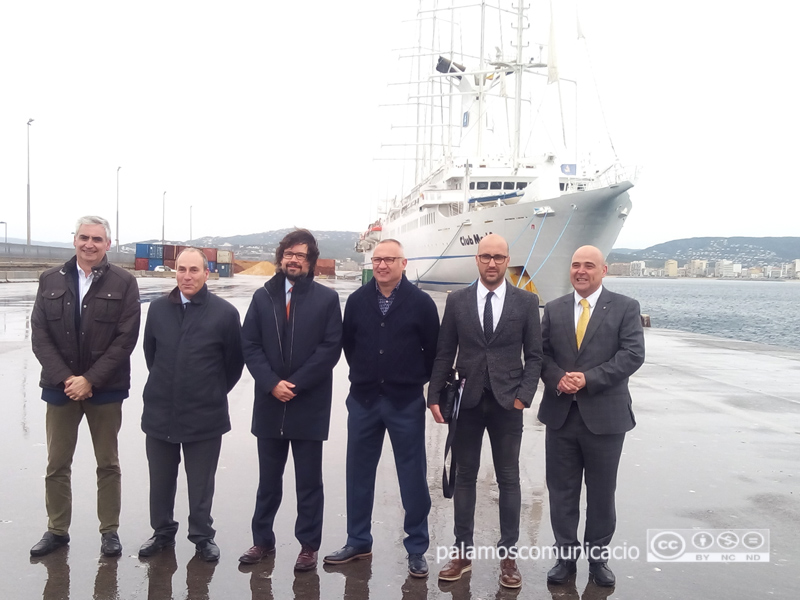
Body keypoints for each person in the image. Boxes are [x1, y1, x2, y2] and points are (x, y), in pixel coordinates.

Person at [427, 233, 542, 589]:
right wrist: (434, 394)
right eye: (486, 256)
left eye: (498, 257)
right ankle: (462, 553)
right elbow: (445, 351)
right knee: (464, 476)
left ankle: (508, 557)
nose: (492, 263)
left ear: (508, 261)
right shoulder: (458, 301)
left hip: (509, 402)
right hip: (468, 400)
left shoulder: (526, 302)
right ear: (477, 259)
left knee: (509, 479)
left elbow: (535, 355)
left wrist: (524, 396)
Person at [323, 239, 440, 578]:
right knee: (358, 474)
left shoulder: (421, 303)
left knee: (413, 477)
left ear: (404, 263)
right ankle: (358, 540)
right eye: (377, 260)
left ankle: (417, 547)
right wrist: (366, 375)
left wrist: (420, 385)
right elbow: (350, 344)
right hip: (364, 401)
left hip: (405, 402)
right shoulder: (358, 301)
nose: (382, 265)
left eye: (389, 260)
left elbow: (433, 352)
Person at [30, 215, 141, 557]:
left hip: (104, 389)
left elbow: (126, 339)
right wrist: (68, 378)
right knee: (57, 464)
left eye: (97, 239)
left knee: (107, 463)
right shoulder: (50, 279)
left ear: (108, 244)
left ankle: (109, 531)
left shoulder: (124, 282)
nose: (89, 244)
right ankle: (57, 530)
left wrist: (90, 379)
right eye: (84, 237)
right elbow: (40, 335)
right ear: (74, 240)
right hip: (60, 387)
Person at [537, 245, 645, 587]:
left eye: (588, 266)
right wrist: (558, 378)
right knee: (562, 491)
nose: (580, 271)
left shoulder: (626, 308)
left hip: (606, 418)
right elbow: (540, 354)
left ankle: (598, 560)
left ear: (603, 270)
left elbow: (633, 354)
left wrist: (588, 378)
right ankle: (565, 560)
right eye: (575, 265)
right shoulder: (553, 309)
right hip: (561, 416)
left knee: (601, 494)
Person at [239, 229, 342, 571]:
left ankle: (308, 545)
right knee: (268, 481)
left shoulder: (326, 300)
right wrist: (271, 383)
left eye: (301, 255)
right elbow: (250, 344)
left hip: (308, 404)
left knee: (309, 483)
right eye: (289, 253)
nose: (293, 259)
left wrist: (294, 384)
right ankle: (261, 541)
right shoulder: (262, 296)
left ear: (311, 262)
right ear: (280, 257)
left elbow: (330, 350)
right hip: (270, 403)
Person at [137, 247, 244, 562]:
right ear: (175, 272)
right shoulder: (157, 309)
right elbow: (150, 355)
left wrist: (210, 391)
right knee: (160, 480)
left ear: (206, 273)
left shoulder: (225, 314)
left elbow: (234, 364)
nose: (186, 276)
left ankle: (202, 536)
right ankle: (162, 532)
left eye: (193, 270)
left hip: (205, 415)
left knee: (200, 484)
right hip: (160, 411)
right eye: (181, 269)